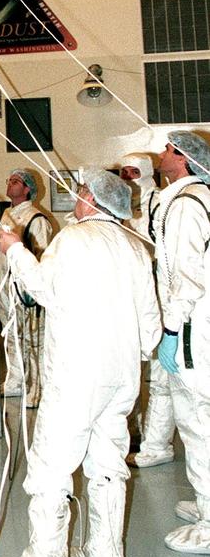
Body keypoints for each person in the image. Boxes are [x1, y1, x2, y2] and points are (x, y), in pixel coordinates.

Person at [0, 169, 160, 557]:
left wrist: (15, 251)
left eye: (82, 192)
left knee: (50, 468)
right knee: (108, 465)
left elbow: (43, 288)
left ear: (92, 201)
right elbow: (152, 332)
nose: (77, 198)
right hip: (122, 380)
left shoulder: (73, 239)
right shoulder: (137, 249)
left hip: (76, 376)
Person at [152, 130, 210, 554]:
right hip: (196, 323)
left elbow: (184, 278)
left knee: (197, 424)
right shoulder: (194, 199)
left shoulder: (186, 206)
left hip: (191, 329)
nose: (162, 153)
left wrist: (171, 331)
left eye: (170, 149)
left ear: (186, 160)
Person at [120, 153, 174, 468]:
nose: (128, 177)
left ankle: (156, 442)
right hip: (133, 295)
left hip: (162, 296)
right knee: (130, 367)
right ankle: (133, 432)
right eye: (124, 171)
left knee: (161, 378)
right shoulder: (119, 205)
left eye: (134, 171)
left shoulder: (159, 202)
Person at [0, 169, 53, 402]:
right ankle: (16, 380)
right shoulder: (7, 214)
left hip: (26, 290)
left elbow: (42, 258)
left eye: (16, 181)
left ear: (27, 189)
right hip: (6, 287)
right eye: (9, 179)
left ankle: (37, 389)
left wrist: (32, 291)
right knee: (11, 336)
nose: (10, 184)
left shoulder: (37, 219)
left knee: (32, 338)